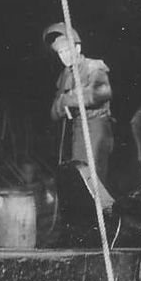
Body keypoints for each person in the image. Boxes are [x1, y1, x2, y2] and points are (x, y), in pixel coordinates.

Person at [43, 22, 113, 185]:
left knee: (95, 179)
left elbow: (98, 94)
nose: (64, 56)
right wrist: (61, 104)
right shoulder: (65, 75)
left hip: (96, 128)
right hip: (77, 129)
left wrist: (67, 99)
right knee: (79, 179)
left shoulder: (94, 67)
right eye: (60, 52)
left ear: (78, 49)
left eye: (67, 50)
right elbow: (54, 110)